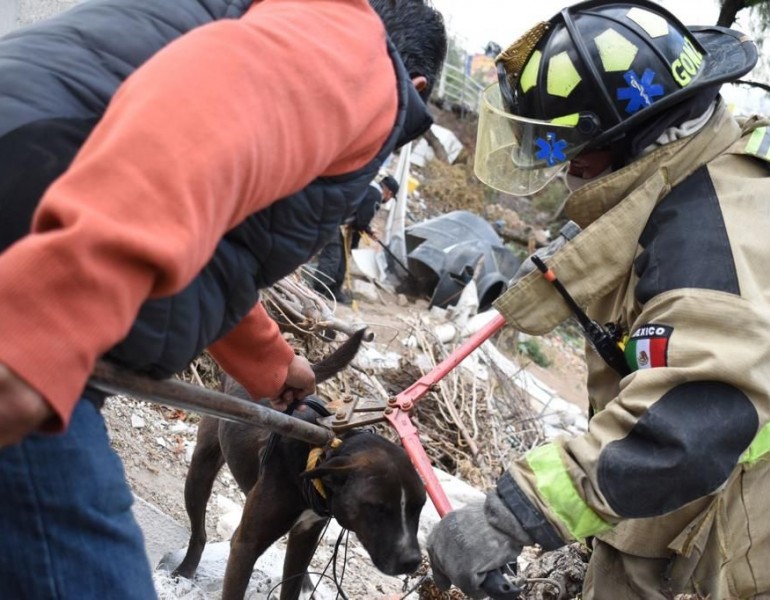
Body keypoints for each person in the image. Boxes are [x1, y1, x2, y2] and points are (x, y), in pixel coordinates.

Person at [0, 0, 446, 597]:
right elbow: (185, 129)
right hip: (25, 253)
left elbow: (203, 239)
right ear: (413, 87)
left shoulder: (305, 37)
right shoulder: (359, 59)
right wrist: (46, 328)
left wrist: (268, 361)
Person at [427, 1, 770, 598]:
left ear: (631, 137)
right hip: (730, 486)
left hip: (752, 525)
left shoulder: (707, 248)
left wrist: (514, 515)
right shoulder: (725, 160)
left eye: (573, 149)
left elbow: (685, 427)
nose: (566, 167)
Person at [314, 174, 399, 303]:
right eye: (391, 197)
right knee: (332, 258)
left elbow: (358, 216)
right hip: (334, 222)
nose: (388, 199)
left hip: (337, 222)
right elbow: (360, 222)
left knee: (342, 259)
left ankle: (333, 292)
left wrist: (366, 229)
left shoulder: (368, 187)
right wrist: (369, 231)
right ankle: (317, 292)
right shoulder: (375, 195)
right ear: (389, 192)